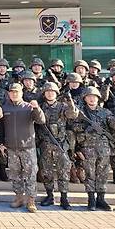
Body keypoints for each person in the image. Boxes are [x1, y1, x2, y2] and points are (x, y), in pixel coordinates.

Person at [0, 83, 45, 213]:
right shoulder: (4, 108)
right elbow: (0, 127)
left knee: (30, 174)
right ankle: (19, 198)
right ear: (9, 94)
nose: (14, 94)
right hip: (11, 148)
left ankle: (31, 200)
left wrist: (37, 108)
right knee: (15, 174)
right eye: (12, 92)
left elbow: (41, 121)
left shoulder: (28, 107)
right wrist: (1, 143)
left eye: (17, 92)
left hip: (27, 147)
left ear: (21, 93)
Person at [75, 86, 115, 211]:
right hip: (87, 147)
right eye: (89, 97)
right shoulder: (80, 113)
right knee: (90, 173)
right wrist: (87, 129)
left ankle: (101, 199)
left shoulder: (105, 112)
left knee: (102, 173)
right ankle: (91, 199)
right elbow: (74, 128)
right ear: (85, 98)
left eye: (94, 97)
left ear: (98, 98)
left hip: (103, 148)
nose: (92, 99)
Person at [38, 82, 78, 210]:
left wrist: (70, 100)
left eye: (53, 92)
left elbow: (73, 115)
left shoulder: (63, 106)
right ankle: (50, 196)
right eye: (47, 91)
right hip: (46, 144)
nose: (50, 93)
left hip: (61, 144)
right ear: (44, 94)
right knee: (46, 172)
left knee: (63, 172)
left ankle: (64, 197)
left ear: (56, 93)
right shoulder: (40, 107)